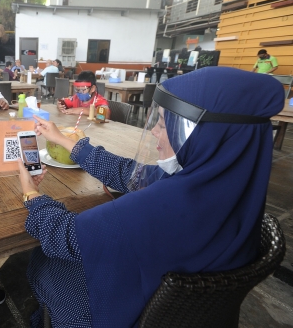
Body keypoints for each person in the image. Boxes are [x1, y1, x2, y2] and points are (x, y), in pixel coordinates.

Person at [17, 66, 284, 327]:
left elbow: (65, 236)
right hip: (193, 312)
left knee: (43, 258)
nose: (155, 131)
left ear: (207, 134)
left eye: (164, 123)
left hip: (136, 310)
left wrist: (31, 194)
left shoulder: (162, 206)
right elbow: (131, 174)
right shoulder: (229, 184)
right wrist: (66, 141)